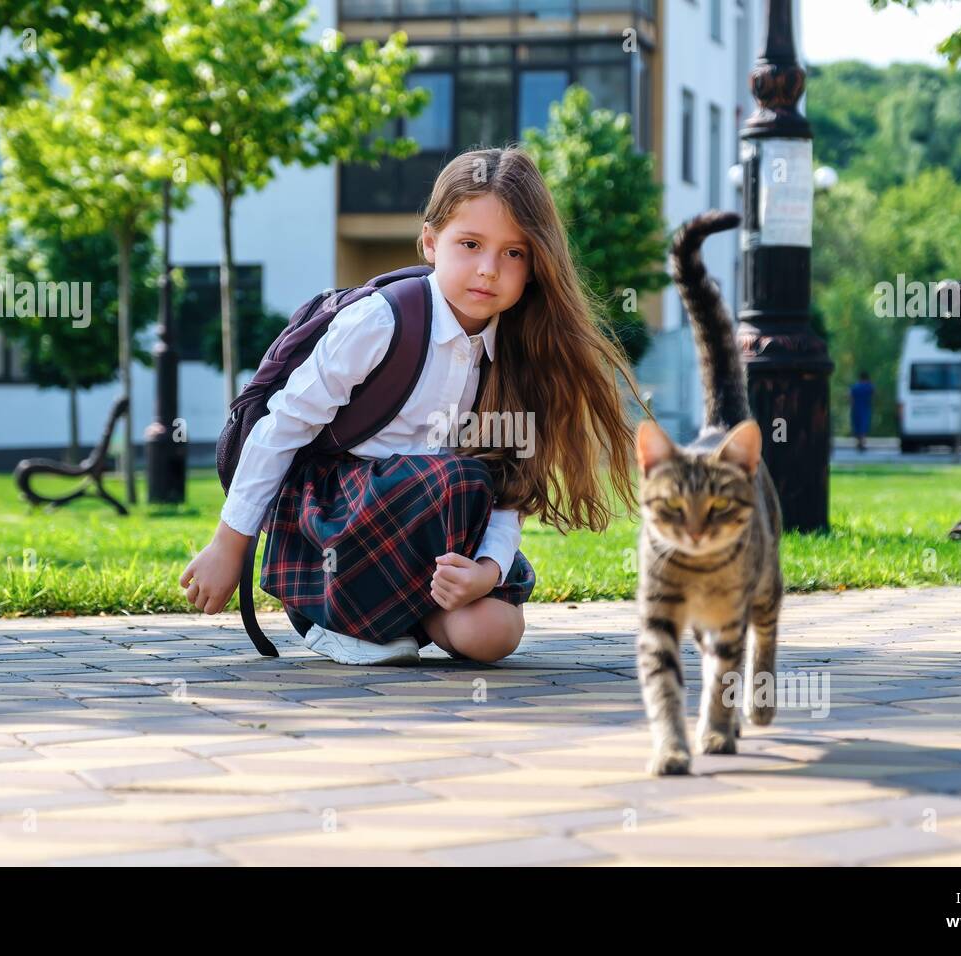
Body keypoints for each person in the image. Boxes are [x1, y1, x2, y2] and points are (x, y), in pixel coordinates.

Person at [179, 145, 647, 667]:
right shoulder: (381, 322)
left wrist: (486, 573)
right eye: (470, 244)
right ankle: (332, 618)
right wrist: (230, 541)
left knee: (494, 632)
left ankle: (409, 615)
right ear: (430, 241)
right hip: (334, 524)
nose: (489, 270)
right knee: (455, 479)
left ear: (537, 266)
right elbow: (283, 426)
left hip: (429, 529)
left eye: (514, 253)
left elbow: (508, 486)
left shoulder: (517, 355)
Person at [850, 371, 875, 451]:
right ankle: (862, 444)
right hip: (865, 408)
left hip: (855, 408)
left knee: (857, 426)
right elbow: (874, 394)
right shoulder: (869, 386)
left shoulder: (855, 386)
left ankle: (858, 443)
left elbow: (850, 398)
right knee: (863, 426)